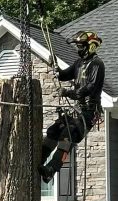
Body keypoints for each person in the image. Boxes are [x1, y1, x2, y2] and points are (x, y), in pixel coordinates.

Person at [40, 30, 105, 183]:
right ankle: (39, 161)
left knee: (68, 135)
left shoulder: (97, 64)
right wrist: (55, 66)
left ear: (91, 46)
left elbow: (89, 88)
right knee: (54, 130)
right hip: (77, 110)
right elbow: (63, 75)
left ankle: (51, 169)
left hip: (89, 112)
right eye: (77, 46)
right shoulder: (79, 63)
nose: (78, 49)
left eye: (81, 46)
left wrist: (69, 93)